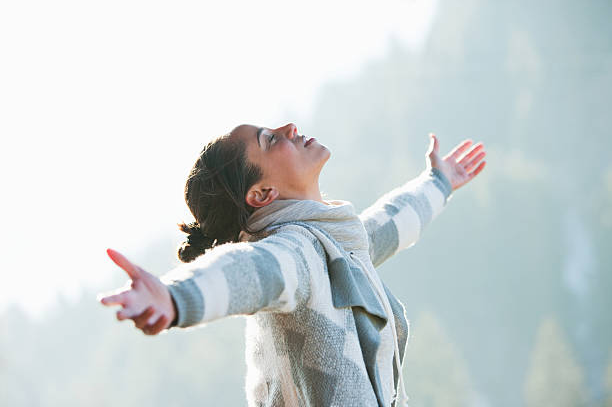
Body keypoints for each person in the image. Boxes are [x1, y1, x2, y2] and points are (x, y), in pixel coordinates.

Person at [99, 123, 486, 407]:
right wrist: (175, 297)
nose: (288, 128)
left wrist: (440, 182)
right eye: (269, 140)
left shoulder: (333, 249)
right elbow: (249, 271)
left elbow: (385, 227)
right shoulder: (296, 253)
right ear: (263, 193)